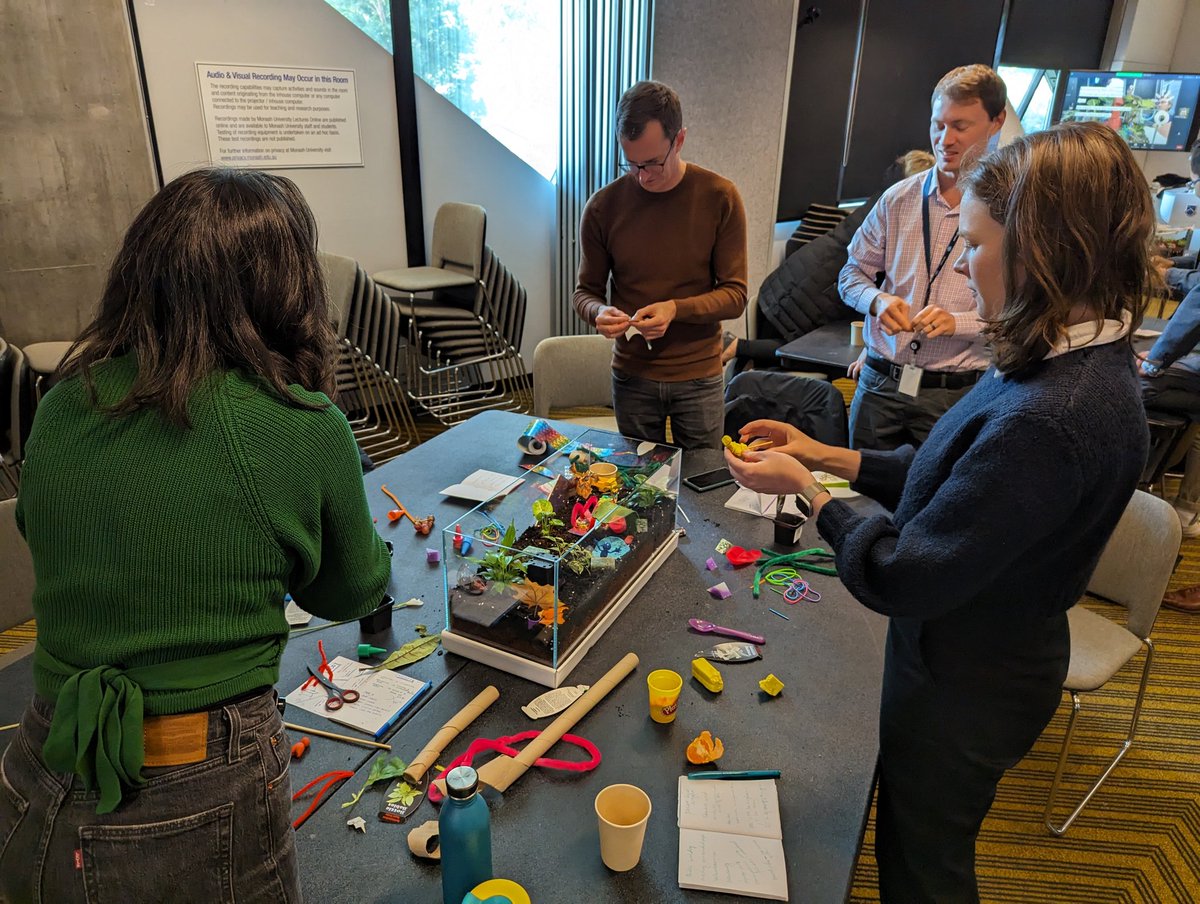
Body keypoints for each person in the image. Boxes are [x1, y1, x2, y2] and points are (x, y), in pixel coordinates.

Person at [725, 122, 1152, 902]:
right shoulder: (1065, 359)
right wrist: (828, 456)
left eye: (980, 245)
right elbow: (948, 475)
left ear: (1044, 250)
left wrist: (810, 493)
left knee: (924, 867)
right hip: (975, 650)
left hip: (968, 681)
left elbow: (904, 574)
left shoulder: (1052, 415)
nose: (967, 263)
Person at [1, 169, 391, 902]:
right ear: (285, 289)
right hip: (196, 788)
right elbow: (352, 589)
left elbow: (41, 531)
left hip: (45, 767)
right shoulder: (298, 424)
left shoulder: (62, 404)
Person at [838, 64, 1007, 450]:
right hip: (880, 382)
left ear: (996, 122)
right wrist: (877, 301)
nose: (944, 140)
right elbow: (851, 275)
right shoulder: (899, 198)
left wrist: (957, 322)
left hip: (954, 392)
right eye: (938, 125)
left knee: (934, 502)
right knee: (860, 500)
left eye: (960, 127)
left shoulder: (1009, 208)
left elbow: (1020, 310)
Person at [572, 80, 748, 450]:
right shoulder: (603, 207)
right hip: (632, 376)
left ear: (679, 139)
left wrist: (676, 309)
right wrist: (599, 311)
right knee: (637, 488)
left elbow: (735, 296)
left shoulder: (719, 197)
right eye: (631, 163)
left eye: (652, 162)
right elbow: (584, 293)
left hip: (698, 375)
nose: (642, 175)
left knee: (703, 490)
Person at [721, 150, 935, 372]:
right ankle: (737, 347)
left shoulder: (882, 198)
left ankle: (740, 352)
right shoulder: (899, 209)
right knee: (801, 354)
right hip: (808, 295)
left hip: (794, 280)